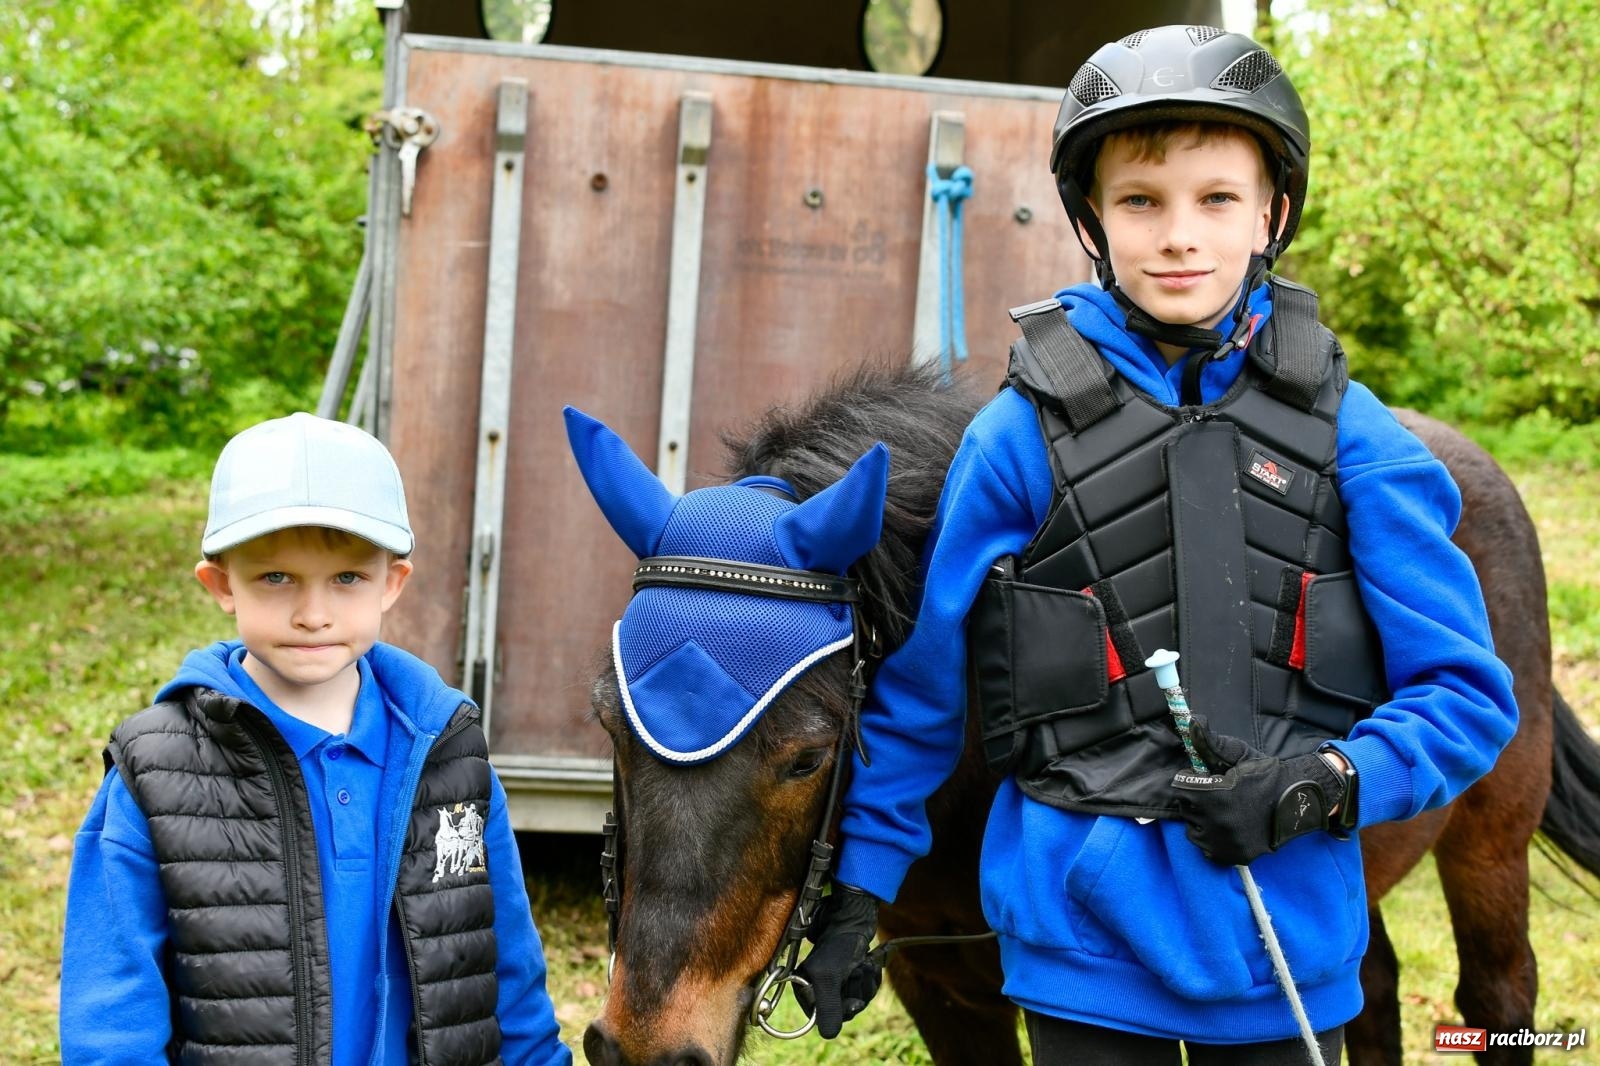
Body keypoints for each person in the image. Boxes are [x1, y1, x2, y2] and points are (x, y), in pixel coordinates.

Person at [796, 23, 1519, 1064]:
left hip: (1284, 957)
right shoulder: (1014, 440)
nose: (1179, 235)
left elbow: (1465, 696)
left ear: (1271, 213)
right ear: (1091, 217)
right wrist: (858, 891)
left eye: (1216, 198)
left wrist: (1326, 780)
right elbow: (923, 695)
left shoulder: (1356, 441)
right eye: (1141, 201)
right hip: (1074, 954)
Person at [60, 413, 571, 1066]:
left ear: (391, 583)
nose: (313, 614)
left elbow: (510, 983)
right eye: (276, 578)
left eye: (346, 578)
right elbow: (111, 1023)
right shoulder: (157, 774)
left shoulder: (447, 756)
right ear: (221, 584)